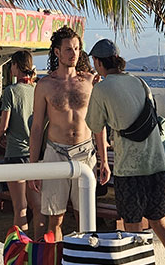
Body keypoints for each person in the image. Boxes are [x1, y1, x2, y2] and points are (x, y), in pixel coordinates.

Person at [86, 39, 165, 265]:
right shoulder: (140, 83)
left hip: (129, 170)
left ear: (98, 62)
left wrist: (104, 162)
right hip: (156, 165)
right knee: (161, 225)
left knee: (133, 229)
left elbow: (96, 128)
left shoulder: (101, 89)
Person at [28, 26, 109, 241]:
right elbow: (36, 128)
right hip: (56, 154)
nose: (74, 54)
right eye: (68, 50)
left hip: (85, 154)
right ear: (57, 52)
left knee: (85, 216)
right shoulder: (44, 85)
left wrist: (104, 160)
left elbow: (98, 124)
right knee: (55, 219)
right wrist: (33, 165)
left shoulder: (89, 82)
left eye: (76, 49)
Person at [0, 50, 44, 238]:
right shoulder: (37, 90)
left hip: (15, 152)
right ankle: (40, 245)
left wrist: (0, 134)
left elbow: (4, 123)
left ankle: (22, 249)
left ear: (15, 66)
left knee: (20, 207)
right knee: (37, 205)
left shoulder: (10, 92)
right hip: (35, 154)